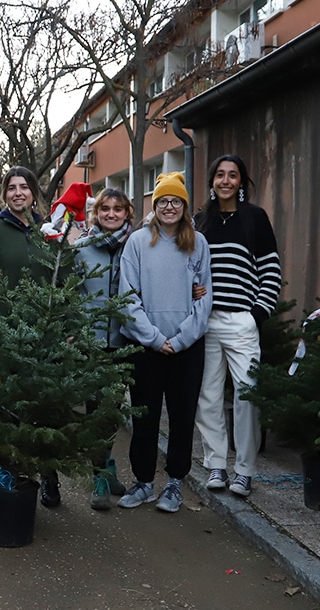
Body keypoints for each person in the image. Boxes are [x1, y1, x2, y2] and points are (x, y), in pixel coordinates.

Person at [116, 172, 212, 514]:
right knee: (145, 416)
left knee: (183, 417)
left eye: (175, 201)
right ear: (154, 206)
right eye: (163, 201)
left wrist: (182, 338)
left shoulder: (197, 243)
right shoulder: (138, 243)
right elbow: (126, 297)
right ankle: (143, 482)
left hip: (187, 348)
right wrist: (155, 339)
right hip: (147, 347)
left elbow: (204, 298)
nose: (169, 207)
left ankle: (174, 483)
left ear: (184, 207)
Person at [0, 166, 61, 508]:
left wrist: (64, 329)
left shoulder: (49, 232)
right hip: (6, 338)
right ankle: (8, 475)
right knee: (8, 411)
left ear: (34, 192)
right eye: (11, 187)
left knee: (46, 411)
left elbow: (63, 280)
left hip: (45, 337)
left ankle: (49, 478)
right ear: (4, 194)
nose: (18, 192)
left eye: (24, 187)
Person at [193, 154, 282, 498]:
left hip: (242, 321)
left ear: (241, 182)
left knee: (248, 395)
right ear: (213, 181)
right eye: (220, 175)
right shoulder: (201, 221)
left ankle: (244, 470)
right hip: (207, 322)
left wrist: (258, 314)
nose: (226, 181)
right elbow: (191, 269)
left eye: (233, 175)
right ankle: (216, 464)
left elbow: (271, 270)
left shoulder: (255, 218)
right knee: (209, 396)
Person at [73, 187, 134, 510]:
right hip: (91, 342)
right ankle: (98, 475)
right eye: (105, 209)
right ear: (96, 213)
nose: (111, 214)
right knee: (95, 409)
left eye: (118, 209)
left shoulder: (136, 247)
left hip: (125, 340)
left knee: (114, 409)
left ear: (127, 213)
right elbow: (71, 292)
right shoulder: (82, 248)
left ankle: (108, 465)